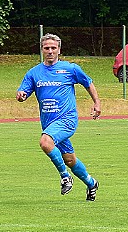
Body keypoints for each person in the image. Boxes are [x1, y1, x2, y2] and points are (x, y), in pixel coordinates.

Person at [16, 33, 101, 201]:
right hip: (49, 123)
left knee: (45, 142)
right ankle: (91, 183)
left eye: (53, 48)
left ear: (59, 50)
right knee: (69, 159)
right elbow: (24, 91)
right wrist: (21, 95)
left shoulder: (70, 69)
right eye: (46, 48)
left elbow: (88, 82)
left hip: (67, 120)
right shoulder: (34, 73)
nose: (50, 51)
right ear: (41, 50)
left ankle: (65, 177)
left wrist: (97, 103)